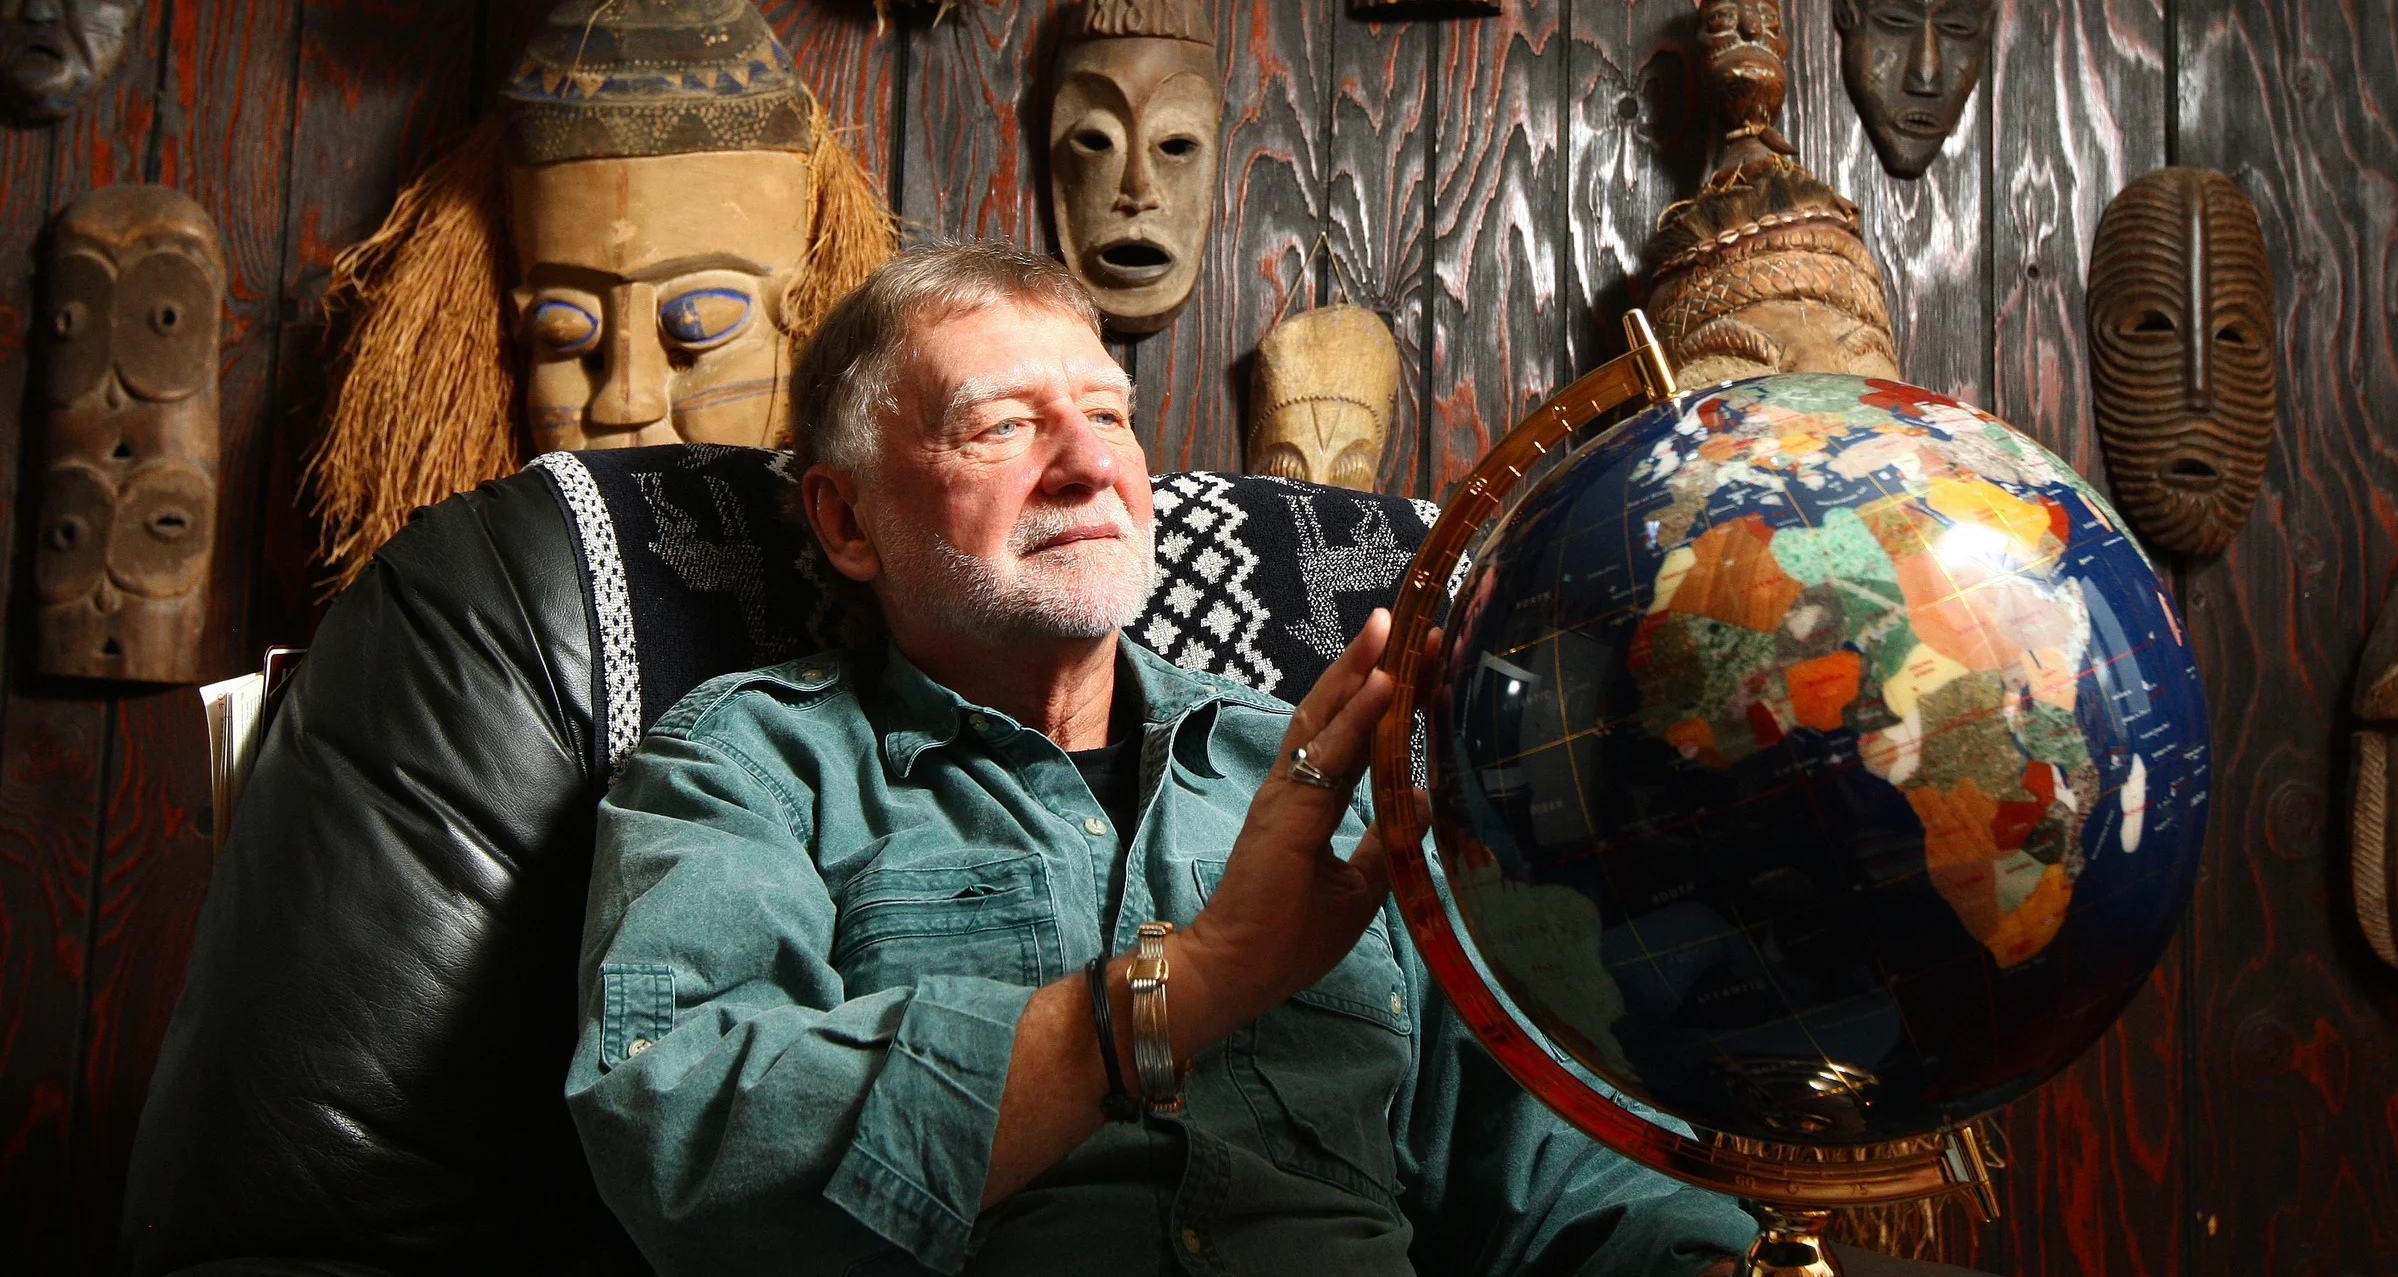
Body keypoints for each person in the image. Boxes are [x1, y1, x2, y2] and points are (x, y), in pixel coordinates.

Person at [564, 241, 1760, 1275]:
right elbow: (688, 1148)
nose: (1089, 466)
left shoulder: (1323, 769)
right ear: (844, 521)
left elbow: (1545, 1170)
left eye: (1106, 414)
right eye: (1001, 426)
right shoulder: (742, 768)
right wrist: (1189, 988)